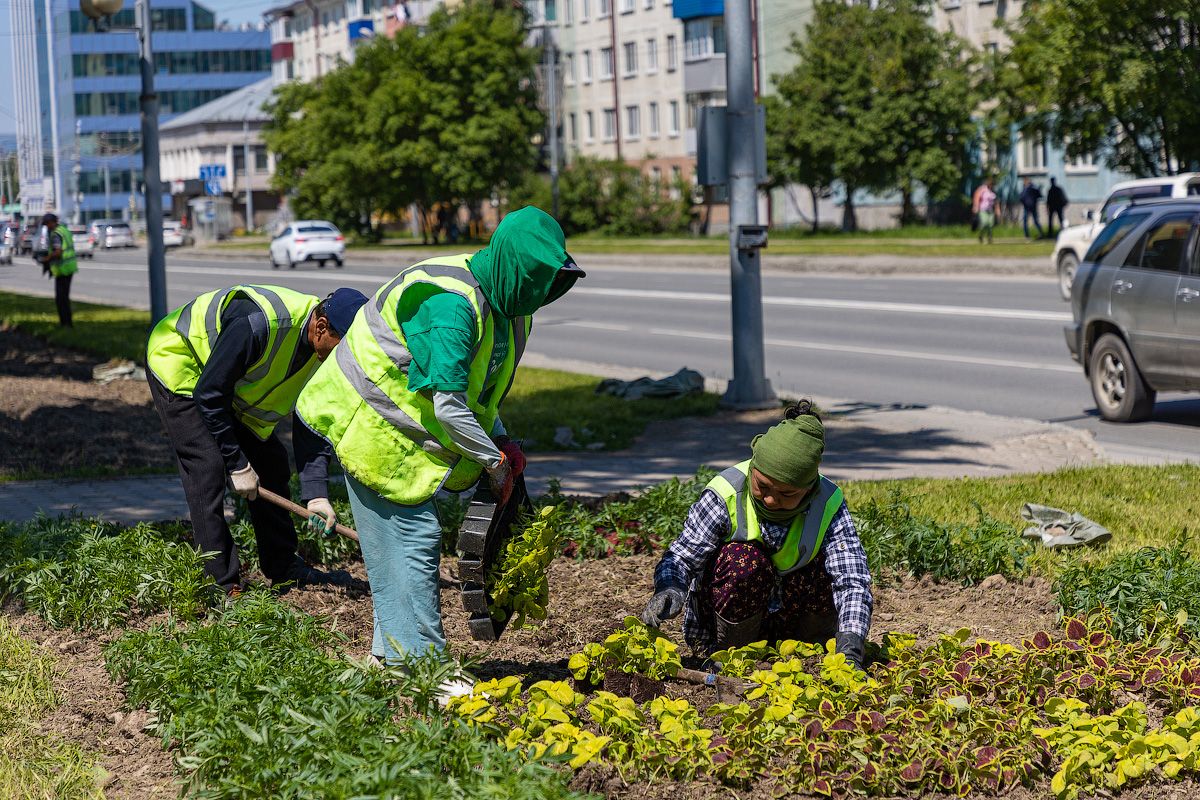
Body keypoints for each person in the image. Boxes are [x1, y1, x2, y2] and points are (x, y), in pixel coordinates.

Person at [293, 206, 585, 676]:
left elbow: (481, 394)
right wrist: (493, 462)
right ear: (509, 263)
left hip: (404, 441)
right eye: (533, 278)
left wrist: (503, 439)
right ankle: (426, 670)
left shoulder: (513, 314)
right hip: (368, 427)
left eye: (548, 281)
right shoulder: (451, 306)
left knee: (395, 551)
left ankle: (387, 660)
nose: (539, 292)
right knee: (413, 541)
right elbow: (449, 405)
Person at [145, 285, 368, 596]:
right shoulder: (260, 323)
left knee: (271, 465)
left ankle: (283, 568)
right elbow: (209, 395)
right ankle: (221, 584)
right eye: (342, 346)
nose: (345, 357)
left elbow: (312, 421)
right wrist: (236, 465)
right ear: (321, 327)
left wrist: (316, 495)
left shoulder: (324, 355)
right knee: (207, 467)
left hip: (227, 387)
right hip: (181, 364)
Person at [640, 401, 874, 670]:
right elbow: (682, 557)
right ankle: (732, 655)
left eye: (787, 494)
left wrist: (851, 649)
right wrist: (670, 587)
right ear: (753, 467)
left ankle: (812, 653)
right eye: (762, 486)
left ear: (809, 489)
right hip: (731, 625)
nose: (772, 500)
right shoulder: (725, 492)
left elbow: (852, 580)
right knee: (742, 560)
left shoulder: (828, 502)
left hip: (795, 626)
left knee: (826, 568)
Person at [34, 212, 76, 327]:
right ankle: (68, 323)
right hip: (69, 267)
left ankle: (65, 324)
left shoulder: (56, 234)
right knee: (65, 298)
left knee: (61, 299)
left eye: (47, 224)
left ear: (52, 222)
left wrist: (46, 259)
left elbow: (58, 252)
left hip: (63, 269)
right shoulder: (64, 230)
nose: (46, 226)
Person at [974, 178, 997, 245]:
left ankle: (990, 237)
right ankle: (981, 235)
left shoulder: (993, 191)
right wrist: (975, 206)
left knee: (990, 224)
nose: (991, 186)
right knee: (984, 223)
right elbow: (977, 196)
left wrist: (997, 209)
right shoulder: (983, 189)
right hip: (983, 209)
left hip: (990, 210)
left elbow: (996, 201)